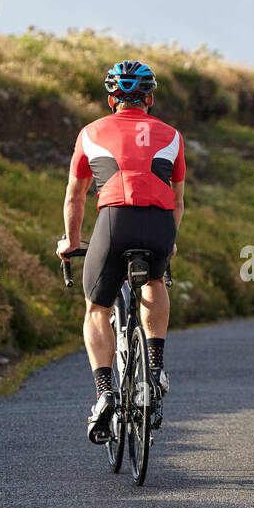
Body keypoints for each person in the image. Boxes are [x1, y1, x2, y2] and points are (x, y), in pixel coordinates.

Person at [56, 61, 185, 444]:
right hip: (160, 224)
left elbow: (75, 195)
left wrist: (71, 241)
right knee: (155, 281)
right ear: (150, 98)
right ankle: (157, 368)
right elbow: (178, 200)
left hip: (115, 222)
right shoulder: (172, 135)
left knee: (96, 307)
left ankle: (104, 393)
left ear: (112, 98)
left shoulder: (90, 132)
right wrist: (170, 239)